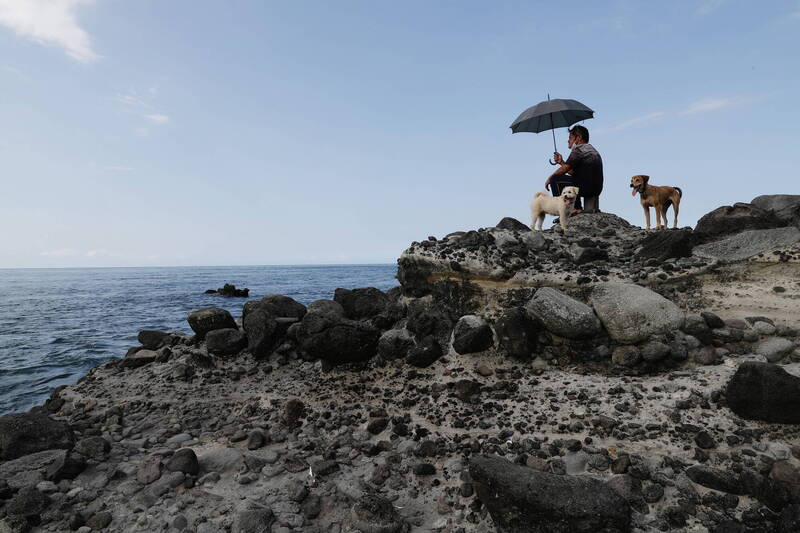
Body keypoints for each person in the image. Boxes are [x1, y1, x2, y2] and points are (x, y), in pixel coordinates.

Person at [544, 125, 603, 213]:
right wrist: (561, 162)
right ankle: (577, 208)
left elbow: (566, 168)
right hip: (595, 188)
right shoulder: (591, 150)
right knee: (571, 180)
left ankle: (567, 210)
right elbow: (575, 173)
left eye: (570, 137)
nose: (568, 140)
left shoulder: (579, 149)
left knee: (555, 179)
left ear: (578, 138)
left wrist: (550, 178)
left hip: (586, 187)